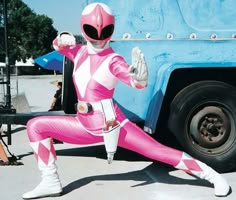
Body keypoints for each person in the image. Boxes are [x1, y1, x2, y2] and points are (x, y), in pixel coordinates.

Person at [22, 2, 231, 199]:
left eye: (105, 32)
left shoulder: (113, 60)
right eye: (93, 31)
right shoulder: (79, 53)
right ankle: (50, 181)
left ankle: (211, 175)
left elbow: (130, 79)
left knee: (158, 151)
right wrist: (63, 38)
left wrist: (138, 79)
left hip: (113, 125)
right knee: (35, 126)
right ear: (84, 29)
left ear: (111, 30)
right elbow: (59, 46)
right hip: (84, 124)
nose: (99, 37)